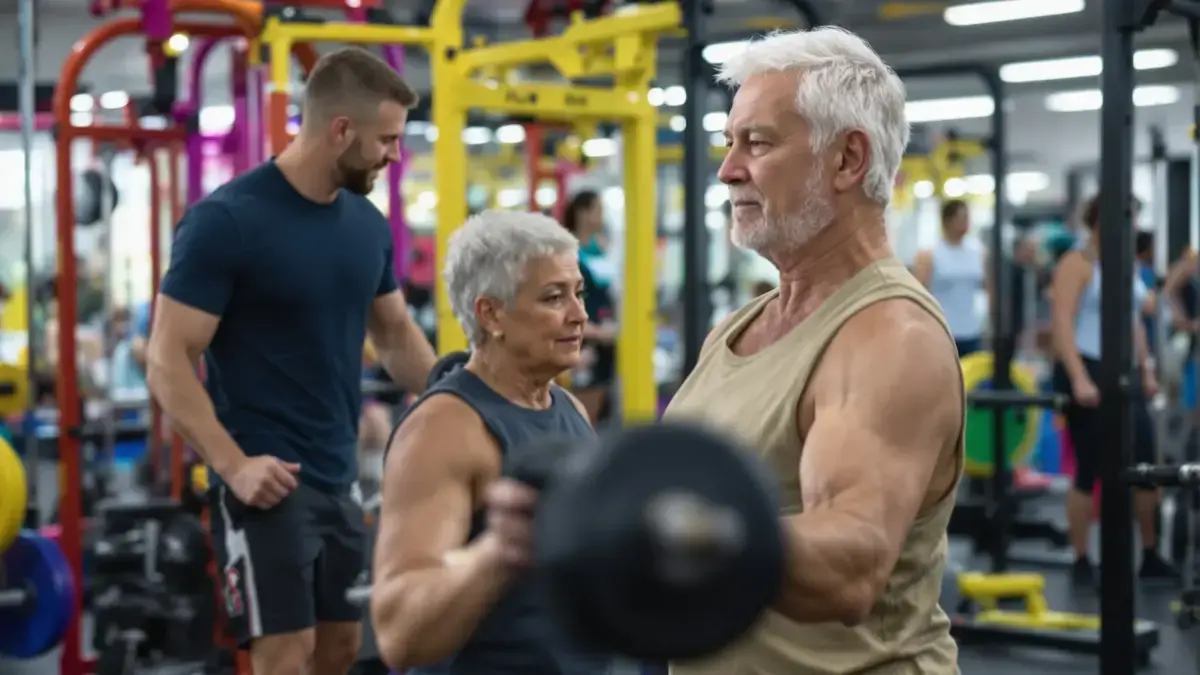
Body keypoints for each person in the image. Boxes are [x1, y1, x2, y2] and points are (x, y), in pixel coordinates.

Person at [665, 27, 961, 673]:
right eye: (729, 143)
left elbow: (851, 566)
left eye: (758, 143)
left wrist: (658, 530)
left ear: (847, 159)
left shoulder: (891, 337)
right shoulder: (735, 329)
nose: (728, 169)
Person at [146, 48, 438, 675]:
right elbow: (167, 358)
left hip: (338, 478)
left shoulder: (367, 226)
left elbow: (393, 334)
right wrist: (233, 465)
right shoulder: (226, 222)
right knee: (285, 659)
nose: (394, 155)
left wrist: (461, 394)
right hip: (265, 482)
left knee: (341, 651)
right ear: (341, 130)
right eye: (386, 139)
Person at [370, 210, 606, 675]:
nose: (579, 315)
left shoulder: (570, 409)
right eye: (553, 297)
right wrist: (498, 552)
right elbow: (400, 633)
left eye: (577, 293)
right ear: (491, 313)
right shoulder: (444, 428)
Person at [1049, 194, 1177, 586]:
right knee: (1089, 468)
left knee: (1144, 463)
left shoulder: (1125, 264)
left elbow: (1135, 319)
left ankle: (1150, 554)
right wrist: (1078, 378)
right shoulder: (1077, 262)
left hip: (1123, 370)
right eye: (1127, 217)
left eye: (1134, 219)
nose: (1133, 226)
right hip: (1087, 367)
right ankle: (1081, 559)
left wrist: (1147, 368)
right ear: (1100, 219)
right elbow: (1062, 325)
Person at [561, 190, 618, 422]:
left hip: (605, 344)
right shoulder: (568, 255)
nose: (602, 216)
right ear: (582, 213)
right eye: (598, 210)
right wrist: (591, 331)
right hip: (584, 344)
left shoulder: (600, 251)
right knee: (583, 415)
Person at [914, 199, 991, 356]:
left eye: (967, 218)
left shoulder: (978, 252)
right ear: (947, 221)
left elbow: (990, 288)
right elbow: (919, 294)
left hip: (972, 331)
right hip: (941, 331)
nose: (966, 223)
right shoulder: (929, 254)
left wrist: (991, 322)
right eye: (961, 218)